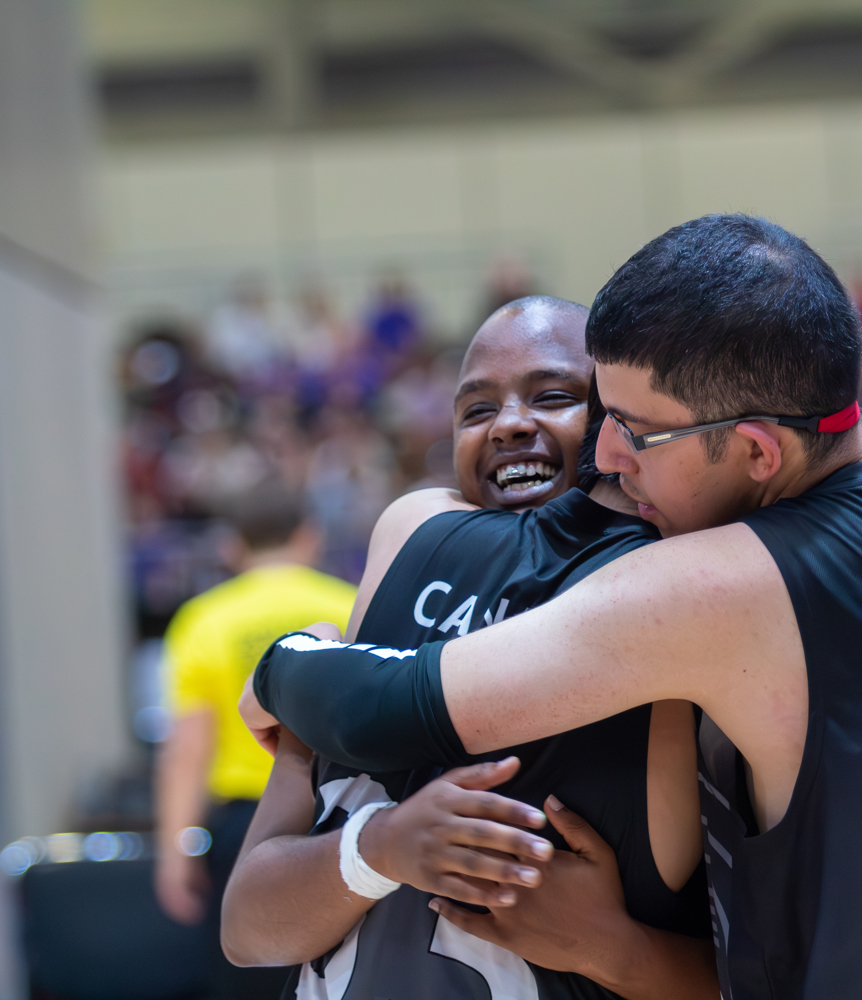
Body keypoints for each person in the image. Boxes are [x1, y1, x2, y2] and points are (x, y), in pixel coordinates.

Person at [244, 214, 862, 998]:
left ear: (759, 452)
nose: (608, 457)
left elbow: (388, 709)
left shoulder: (724, 583)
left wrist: (288, 658)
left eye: (633, 429)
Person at [222, 296, 715, 999]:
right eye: (476, 411)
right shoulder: (408, 542)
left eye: (552, 396)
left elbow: (774, 971)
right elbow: (246, 929)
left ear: (619, 428)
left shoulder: (679, 595)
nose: (511, 424)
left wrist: (617, 951)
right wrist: (380, 847)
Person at [156, 478, 356, 998]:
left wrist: (177, 850)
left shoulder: (203, 620)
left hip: (245, 830)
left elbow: (188, 751)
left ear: (232, 545)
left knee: (249, 977)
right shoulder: (352, 604)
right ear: (309, 536)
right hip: (340, 817)